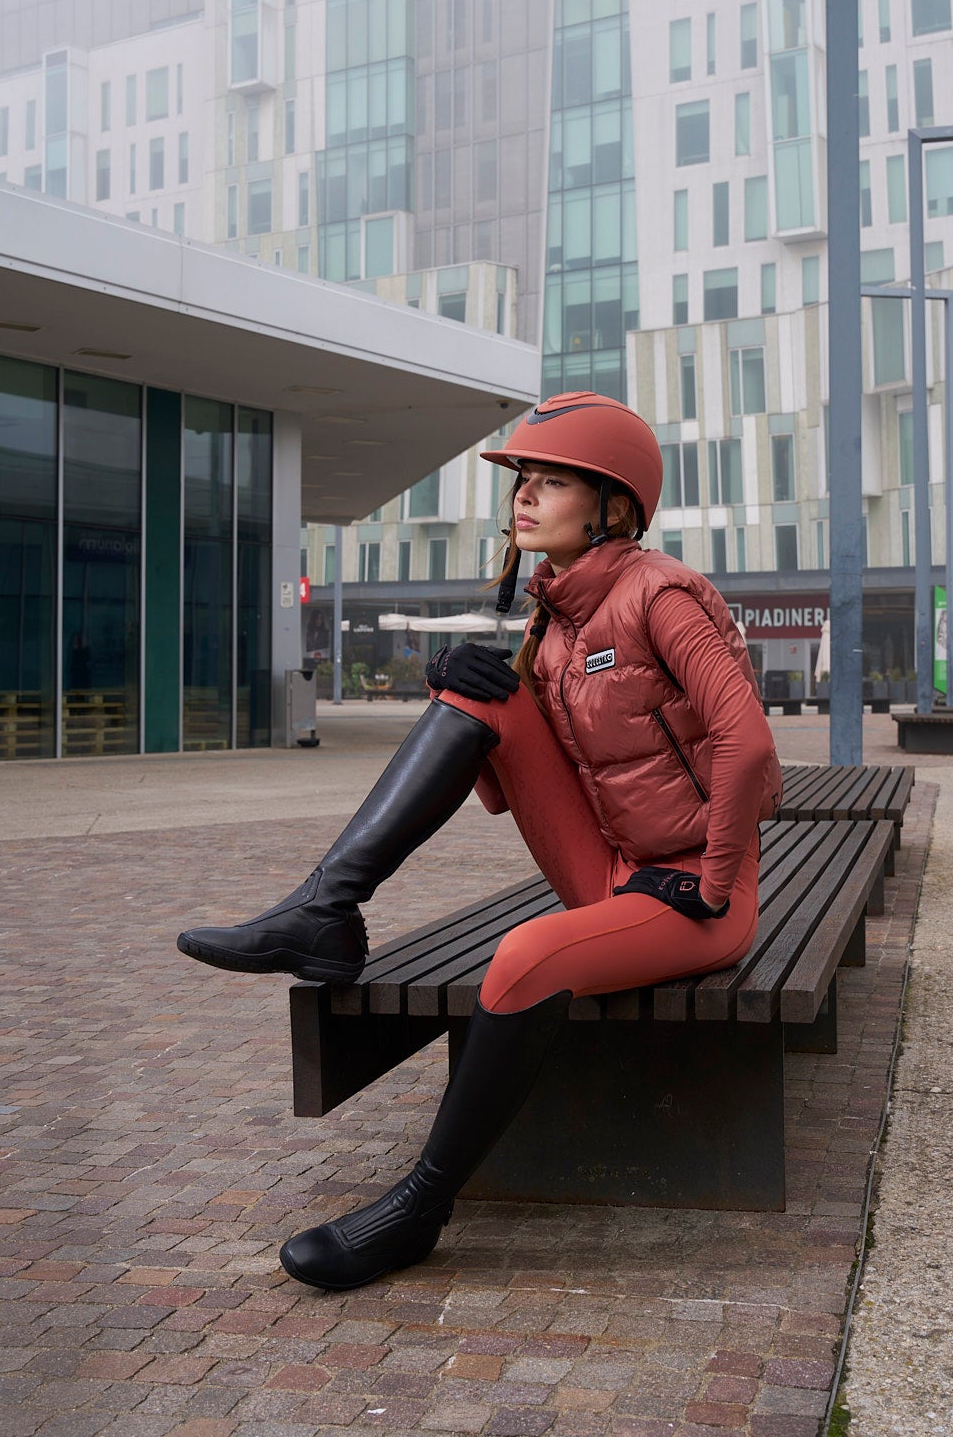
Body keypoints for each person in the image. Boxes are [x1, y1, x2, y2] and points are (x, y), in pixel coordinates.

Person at [176, 393, 781, 1293]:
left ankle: (419, 1208)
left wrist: (717, 879)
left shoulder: (661, 595)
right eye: (521, 483)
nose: (524, 499)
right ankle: (325, 912)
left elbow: (749, 746)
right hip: (610, 869)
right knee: (474, 688)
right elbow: (506, 787)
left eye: (550, 481)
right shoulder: (554, 626)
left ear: (611, 504)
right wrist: (463, 692)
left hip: (693, 892)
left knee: (524, 956)